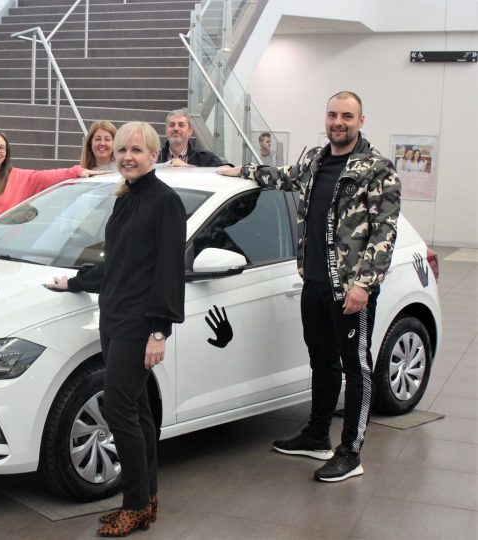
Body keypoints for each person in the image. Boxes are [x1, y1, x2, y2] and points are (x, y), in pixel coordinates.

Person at [219, 91, 401, 482]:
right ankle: (317, 435)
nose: (339, 122)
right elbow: (280, 176)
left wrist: (364, 286)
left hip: (350, 289)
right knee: (321, 361)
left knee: (357, 369)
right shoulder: (316, 160)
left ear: (361, 121)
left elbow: (384, 234)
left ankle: (351, 452)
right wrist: (240, 170)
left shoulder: (376, 168)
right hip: (314, 282)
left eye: (347, 116)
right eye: (333, 114)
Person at [46, 122, 186, 536]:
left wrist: (159, 331)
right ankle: (147, 500)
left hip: (139, 323)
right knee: (138, 413)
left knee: (119, 410)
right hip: (114, 317)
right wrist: (75, 282)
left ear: (153, 156)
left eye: (137, 150)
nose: (127, 156)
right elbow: (117, 264)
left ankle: (133, 503)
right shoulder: (126, 198)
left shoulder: (165, 202)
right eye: (123, 149)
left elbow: (168, 271)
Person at [0, 131, 103, 245]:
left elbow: (48, 176)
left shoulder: (20, 177)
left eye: (1, 148)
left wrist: (77, 171)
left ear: (6, 153)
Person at [157, 108, 232, 168]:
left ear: (190, 131)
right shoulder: (154, 158)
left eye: (181, 125)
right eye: (172, 125)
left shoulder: (206, 158)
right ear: (166, 130)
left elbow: (226, 170)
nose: (176, 128)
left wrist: (188, 168)